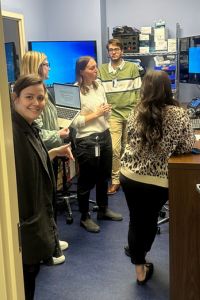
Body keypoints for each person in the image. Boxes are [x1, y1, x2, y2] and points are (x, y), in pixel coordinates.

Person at [120, 70, 195, 285]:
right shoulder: (179, 114)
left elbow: (129, 140)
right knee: (149, 221)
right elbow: (187, 145)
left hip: (129, 175)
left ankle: (138, 263)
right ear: (167, 88)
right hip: (156, 181)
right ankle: (141, 259)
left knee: (136, 220)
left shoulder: (136, 111)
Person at [11, 74, 74, 299]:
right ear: (15, 98)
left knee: (31, 276)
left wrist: (54, 152)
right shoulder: (12, 134)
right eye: (29, 97)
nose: (36, 103)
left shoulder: (29, 126)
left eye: (40, 97)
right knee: (25, 281)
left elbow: (31, 162)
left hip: (35, 219)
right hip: (25, 224)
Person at [21, 51, 69, 262]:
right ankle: (48, 250)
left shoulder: (42, 91)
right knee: (41, 203)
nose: (49, 68)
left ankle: (53, 240)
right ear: (36, 66)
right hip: (41, 151)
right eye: (46, 64)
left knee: (48, 200)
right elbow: (39, 130)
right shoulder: (29, 92)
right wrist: (57, 134)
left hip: (48, 151)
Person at [72, 56, 123, 233]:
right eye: (92, 68)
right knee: (86, 181)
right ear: (81, 71)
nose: (96, 71)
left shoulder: (99, 85)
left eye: (96, 67)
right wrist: (97, 113)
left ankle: (103, 209)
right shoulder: (75, 91)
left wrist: (106, 112)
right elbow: (74, 122)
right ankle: (85, 217)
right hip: (86, 140)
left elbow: (103, 113)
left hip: (104, 135)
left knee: (104, 177)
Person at [98, 38, 141, 195]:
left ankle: (128, 177)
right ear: (108, 52)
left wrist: (137, 112)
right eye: (110, 50)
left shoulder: (132, 68)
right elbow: (98, 91)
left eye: (116, 49)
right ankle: (116, 180)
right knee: (115, 149)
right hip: (113, 114)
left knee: (129, 146)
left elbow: (138, 92)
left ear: (122, 51)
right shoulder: (102, 70)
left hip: (131, 112)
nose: (113, 52)